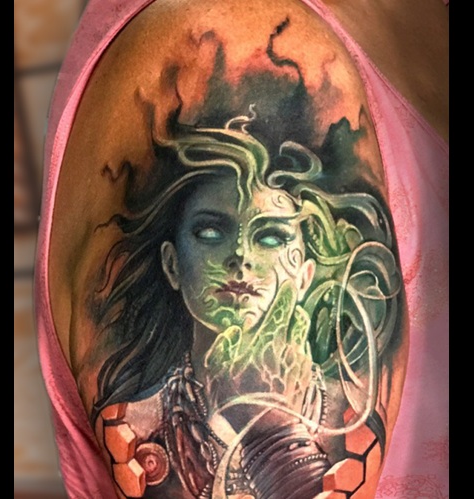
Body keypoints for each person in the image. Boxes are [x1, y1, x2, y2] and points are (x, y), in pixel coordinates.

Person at [34, 0, 448, 497]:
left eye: (270, 236)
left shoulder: (346, 409)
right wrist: (270, 430)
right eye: (211, 232)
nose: (241, 260)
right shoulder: (233, 30)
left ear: (306, 270)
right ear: (171, 263)